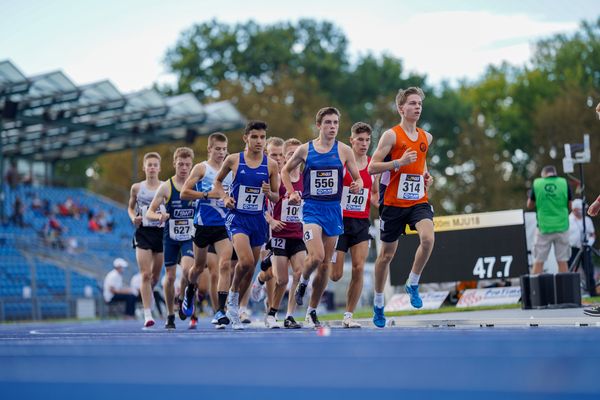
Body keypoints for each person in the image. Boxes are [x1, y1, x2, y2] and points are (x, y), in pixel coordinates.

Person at [282, 107, 363, 328]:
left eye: (336, 123)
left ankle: (312, 310)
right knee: (316, 256)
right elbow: (285, 171)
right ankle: (303, 283)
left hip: (333, 210)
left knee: (326, 265)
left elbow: (358, 179)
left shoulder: (345, 151)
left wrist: (357, 185)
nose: (332, 127)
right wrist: (291, 192)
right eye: (328, 122)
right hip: (312, 209)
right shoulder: (305, 149)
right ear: (319, 125)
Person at [368, 87, 435, 328]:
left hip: (417, 200)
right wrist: (398, 162)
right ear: (401, 108)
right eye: (412, 103)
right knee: (386, 256)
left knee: (428, 238)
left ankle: (413, 282)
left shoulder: (426, 137)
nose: (417, 107)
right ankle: (378, 302)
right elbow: (371, 167)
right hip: (393, 203)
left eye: (419, 104)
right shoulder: (391, 136)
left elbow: (421, 165)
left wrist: (426, 176)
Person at [213, 120, 280, 330]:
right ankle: (232, 300)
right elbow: (217, 182)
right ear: (246, 138)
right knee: (246, 260)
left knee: (249, 266)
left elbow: (276, 197)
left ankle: (235, 303)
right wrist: (224, 198)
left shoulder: (271, 165)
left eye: (262, 137)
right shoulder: (234, 160)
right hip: (238, 217)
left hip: (258, 220)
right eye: (255, 137)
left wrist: (269, 192)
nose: (259, 141)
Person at [180, 132, 234, 329]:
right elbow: (184, 193)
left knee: (225, 264)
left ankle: (220, 310)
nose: (221, 153)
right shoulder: (201, 168)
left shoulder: (230, 169)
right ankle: (189, 290)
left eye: (224, 149)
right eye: (217, 149)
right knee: (197, 268)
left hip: (222, 225)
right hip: (202, 225)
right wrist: (206, 194)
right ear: (209, 149)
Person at [328, 122, 379, 328]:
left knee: (359, 268)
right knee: (335, 275)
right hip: (339, 223)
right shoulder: (342, 165)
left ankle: (348, 315)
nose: (364, 144)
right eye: (360, 140)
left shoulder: (372, 167)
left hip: (361, 223)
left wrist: (378, 201)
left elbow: (374, 193)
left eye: (367, 140)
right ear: (351, 141)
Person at [256, 138, 306, 329]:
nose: (293, 157)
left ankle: (290, 316)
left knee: (300, 273)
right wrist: (271, 220)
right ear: (285, 158)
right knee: (282, 279)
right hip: (278, 235)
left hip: (298, 234)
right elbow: (260, 204)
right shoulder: (276, 178)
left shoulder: (305, 178)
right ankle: (271, 311)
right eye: (290, 154)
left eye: (297, 153)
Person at [146, 147, 195, 330]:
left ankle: (182, 297)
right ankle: (170, 314)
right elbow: (150, 211)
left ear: (192, 165)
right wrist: (159, 216)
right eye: (180, 164)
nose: (184, 168)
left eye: (187, 165)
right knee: (170, 276)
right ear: (174, 164)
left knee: (189, 271)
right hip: (171, 237)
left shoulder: (195, 185)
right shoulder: (166, 186)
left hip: (189, 236)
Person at [127, 152, 165, 329]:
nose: (152, 168)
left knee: (155, 277)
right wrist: (133, 217)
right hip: (143, 233)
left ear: (159, 168)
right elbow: (130, 207)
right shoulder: (136, 188)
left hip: (161, 234)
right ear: (144, 167)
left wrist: (165, 216)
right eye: (149, 164)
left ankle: (149, 294)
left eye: (155, 165)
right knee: (145, 274)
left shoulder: (165, 187)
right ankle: (147, 314)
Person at [527, 165, 573, 274]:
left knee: (538, 261)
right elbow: (571, 205)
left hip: (544, 227)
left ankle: (536, 290)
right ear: (554, 173)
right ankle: (564, 290)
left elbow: (529, 205)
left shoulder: (538, 183)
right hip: (562, 226)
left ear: (544, 174)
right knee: (562, 261)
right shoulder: (564, 183)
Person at [568, 199, 596, 266]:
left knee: (588, 267)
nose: (583, 210)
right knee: (570, 267)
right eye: (581, 209)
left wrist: (589, 242)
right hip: (572, 249)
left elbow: (593, 234)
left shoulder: (588, 220)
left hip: (586, 248)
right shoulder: (568, 220)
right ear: (574, 209)